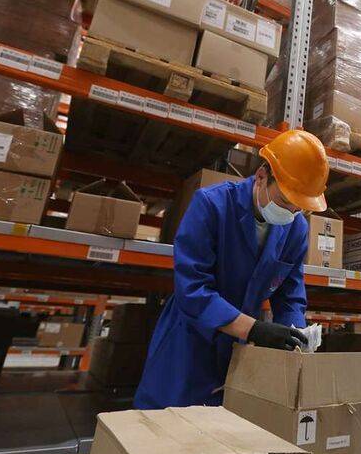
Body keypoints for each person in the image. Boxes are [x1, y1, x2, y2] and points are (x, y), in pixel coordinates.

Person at [134, 129, 330, 409]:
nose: (291, 213)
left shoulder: (296, 228)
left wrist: (296, 335)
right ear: (261, 176)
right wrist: (254, 329)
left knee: (226, 428)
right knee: (167, 425)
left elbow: (290, 293)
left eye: (300, 208)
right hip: (190, 342)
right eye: (286, 201)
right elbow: (193, 290)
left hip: (239, 350)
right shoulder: (211, 205)